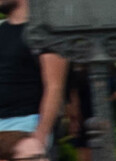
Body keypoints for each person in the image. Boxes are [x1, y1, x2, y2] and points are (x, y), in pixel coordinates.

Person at [0, 0, 73, 135]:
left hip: (26, 123)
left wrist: (41, 134)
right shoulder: (2, 30)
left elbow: (54, 86)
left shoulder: (45, 33)